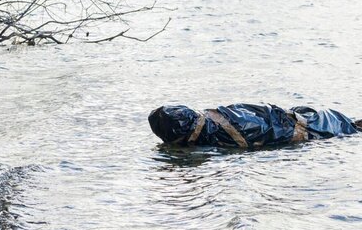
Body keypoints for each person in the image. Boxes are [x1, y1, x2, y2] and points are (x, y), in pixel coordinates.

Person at [149, 103, 361, 148]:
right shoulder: (215, 120)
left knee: (346, 127)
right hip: (310, 121)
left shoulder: (213, 134)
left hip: (316, 126)